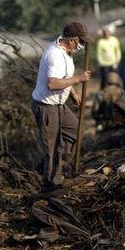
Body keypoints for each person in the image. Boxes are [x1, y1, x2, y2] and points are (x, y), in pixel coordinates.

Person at [31, 22, 92, 187]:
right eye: (80, 41)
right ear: (71, 40)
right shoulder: (55, 55)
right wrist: (79, 79)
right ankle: (52, 184)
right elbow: (53, 83)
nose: (80, 45)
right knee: (52, 147)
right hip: (46, 106)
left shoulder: (66, 52)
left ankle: (49, 167)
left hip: (59, 104)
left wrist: (72, 92)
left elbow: (64, 76)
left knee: (75, 130)